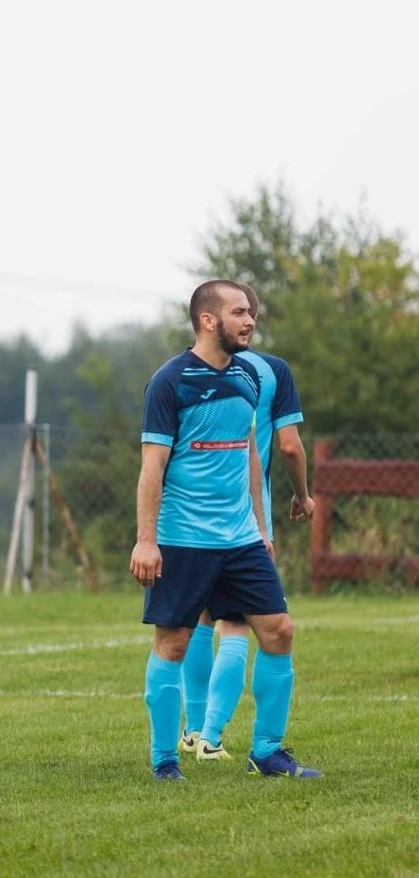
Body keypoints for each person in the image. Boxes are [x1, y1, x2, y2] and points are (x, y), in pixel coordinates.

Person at [132, 279, 318, 781]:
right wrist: (146, 540)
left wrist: (260, 528)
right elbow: (152, 468)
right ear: (208, 320)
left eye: (251, 313)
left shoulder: (250, 379)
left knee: (278, 631)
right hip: (183, 538)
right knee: (173, 642)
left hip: (241, 539)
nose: (250, 320)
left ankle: (268, 752)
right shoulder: (170, 382)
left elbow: (249, 459)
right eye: (239, 312)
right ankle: (164, 761)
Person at [180, 283, 314, 761]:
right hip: (244, 521)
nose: (248, 320)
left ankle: (193, 729)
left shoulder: (188, 368)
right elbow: (291, 446)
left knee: (197, 620)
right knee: (237, 625)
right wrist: (303, 496)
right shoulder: (271, 371)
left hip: (189, 520)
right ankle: (212, 737)